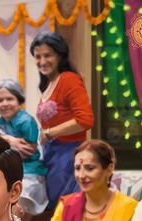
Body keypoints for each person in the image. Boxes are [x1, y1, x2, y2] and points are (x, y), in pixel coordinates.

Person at [30, 31, 94, 210]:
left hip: (69, 154)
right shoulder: (49, 84)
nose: (42, 61)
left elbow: (85, 120)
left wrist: (50, 133)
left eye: (48, 55)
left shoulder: (69, 79)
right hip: (51, 153)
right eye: (38, 56)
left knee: (67, 206)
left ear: (60, 54)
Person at [0, 78, 48, 221]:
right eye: (0, 100)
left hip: (29, 172)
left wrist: (0, 142)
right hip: (8, 171)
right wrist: (10, 140)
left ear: (19, 100)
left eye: (10, 98)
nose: (5, 103)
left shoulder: (25, 121)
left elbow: (27, 150)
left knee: (17, 203)